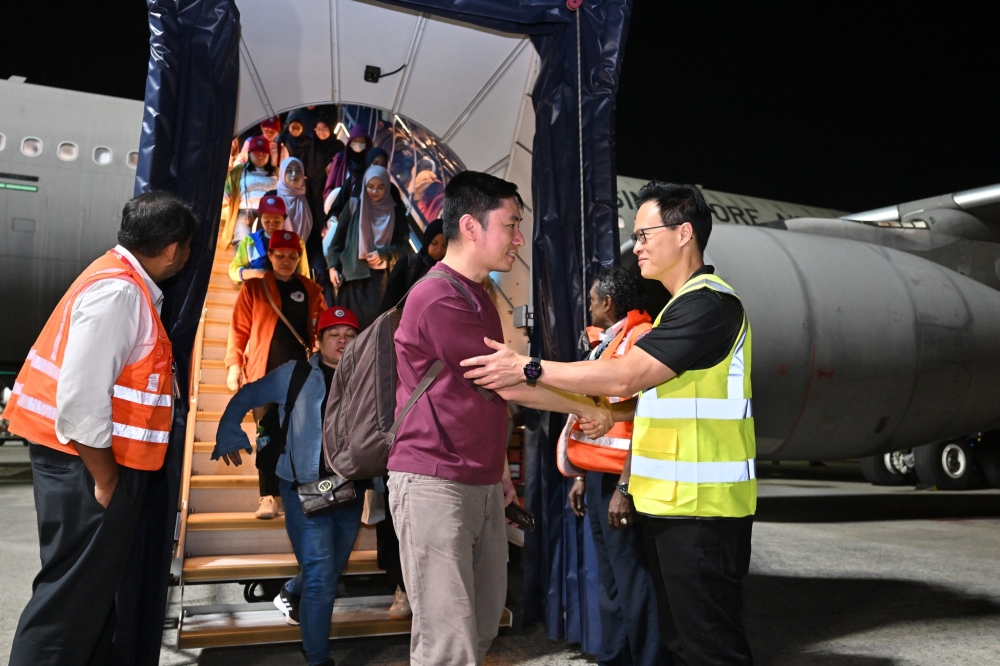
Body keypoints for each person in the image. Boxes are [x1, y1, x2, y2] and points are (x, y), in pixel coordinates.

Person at [461, 182, 757, 666]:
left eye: (644, 235)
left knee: (712, 649)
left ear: (684, 233)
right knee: (679, 645)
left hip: (706, 513)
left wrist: (529, 367)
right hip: (670, 505)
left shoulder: (710, 305)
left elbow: (629, 374)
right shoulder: (675, 311)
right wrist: (596, 411)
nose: (635, 246)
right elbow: (646, 402)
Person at [388, 171, 616, 666]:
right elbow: (507, 383)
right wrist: (584, 405)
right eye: (511, 225)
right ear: (470, 226)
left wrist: (500, 479)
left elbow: (486, 397)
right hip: (432, 483)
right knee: (449, 644)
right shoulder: (438, 296)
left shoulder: (479, 296)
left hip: (483, 484)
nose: (518, 238)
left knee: (485, 623)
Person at [2, 191, 195, 666]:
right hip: (89, 469)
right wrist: (107, 479)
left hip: (87, 465)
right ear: (172, 249)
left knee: (89, 601)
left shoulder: (121, 282)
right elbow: (82, 402)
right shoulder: (120, 293)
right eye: (187, 246)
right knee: (65, 607)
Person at [213, 306, 363, 666]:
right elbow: (247, 395)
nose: (342, 339)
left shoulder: (367, 377)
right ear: (318, 340)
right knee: (322, 579)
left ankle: (291, 590)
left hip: (349, 490)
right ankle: (317, 658)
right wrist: (229, 428)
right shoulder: (294, 374)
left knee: (331, 567)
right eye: (333, 333)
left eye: (350, 334)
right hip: (302, 491)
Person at [565, 267, 661, 666]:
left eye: (591, 298)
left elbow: (646, 418)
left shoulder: (641, 340)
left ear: (607, 303)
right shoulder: (607, 343)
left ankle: (646, 659)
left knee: (632, 580)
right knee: (611, 581)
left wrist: (624, 487)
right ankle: (616, 658)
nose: (588, 305)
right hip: (602, 476)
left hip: (627, 481)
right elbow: (597, 417)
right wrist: (583, 476)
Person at [225, 230, 327, 519]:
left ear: (299, 257)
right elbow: (239, 329)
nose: (286, 261)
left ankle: (300, 493)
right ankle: (267, 496)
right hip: (263, 376)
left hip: (301, 378)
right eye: (279, 255)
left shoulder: (311, 289)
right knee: (267, 436)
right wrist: (234, 365)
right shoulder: (255, 289)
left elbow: (323, 327)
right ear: (269, 256)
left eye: (292, 256)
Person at [326, 165, 411, 330]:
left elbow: (404, 247)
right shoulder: (353, 207)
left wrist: (384, 253)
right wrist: (332, 267)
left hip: (380, 281)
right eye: (370, 187)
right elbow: (337, 242)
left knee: (373, 329)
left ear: (387, 187)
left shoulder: (395, 211)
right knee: (350, 328)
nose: (374, 192)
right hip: (352, 279)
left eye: (380, 187)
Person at [228, 194, 309, 283]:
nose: (271, 225)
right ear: (260, 218)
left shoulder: (296, 242)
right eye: (266, 221)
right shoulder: (250, 241)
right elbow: (233, 271)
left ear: (284, 219)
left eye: (277, 222)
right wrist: (256, 273)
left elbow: (304, 274)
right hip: (258, 291)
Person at [379, 218, 446, 313]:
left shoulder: (446, 274)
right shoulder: (406, 264)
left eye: (444, 246)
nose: (438, 249)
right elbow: (388, 303)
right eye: (434, 243)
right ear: (427, 240)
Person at [222, 135, 279, 246]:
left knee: (266, 243)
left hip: (269, 213)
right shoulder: (239, 170)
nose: (261, 155)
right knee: (242, 240)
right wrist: (226, 196)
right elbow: (226, 189)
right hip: (246, 211)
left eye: (264, 152)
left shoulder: (276, 172)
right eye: (257, 152)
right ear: (250, 153)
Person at [323, 124, 371, 202]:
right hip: (340, 207)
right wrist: (332, 204)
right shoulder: (341, 158)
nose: (358, 144)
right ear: (350, 142)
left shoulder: (368, 162)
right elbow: (329, 186)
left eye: (361, 141)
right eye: (355, 141)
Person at [278, 157, 314, 243]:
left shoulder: (308, 201)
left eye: (298, 171)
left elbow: (315, 239)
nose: (294, 174)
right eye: (289, 171)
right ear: (282, 173)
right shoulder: (272, 197)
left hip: (304, 252)